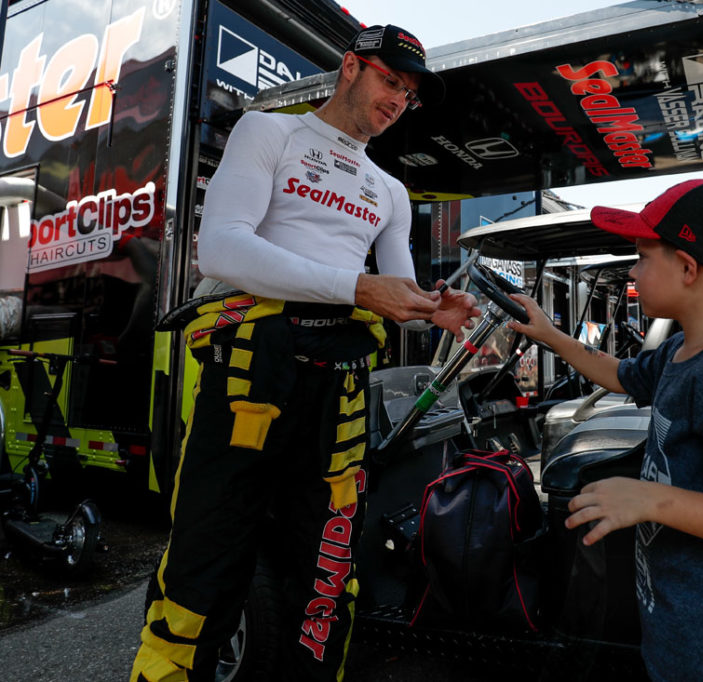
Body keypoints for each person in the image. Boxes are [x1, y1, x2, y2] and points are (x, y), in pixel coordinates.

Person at [131, 25, 479, 682]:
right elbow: (224, 250)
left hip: (342, 386)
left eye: (408, 93)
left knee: (326, 584)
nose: (397, 100)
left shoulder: (391, 191)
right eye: (389, 81)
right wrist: (357, 287)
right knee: (201, 572)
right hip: (251, 372)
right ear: (350, 66)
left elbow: (395, 290)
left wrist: (437, 309)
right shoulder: (270, 132)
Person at [507, 180, 703, 681]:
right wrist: (548, 333)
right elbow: (617, 374)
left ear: (688, 269)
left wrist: (648, 500)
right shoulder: (681, 351)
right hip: (680, 626)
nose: (632, 270)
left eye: (642, 256)